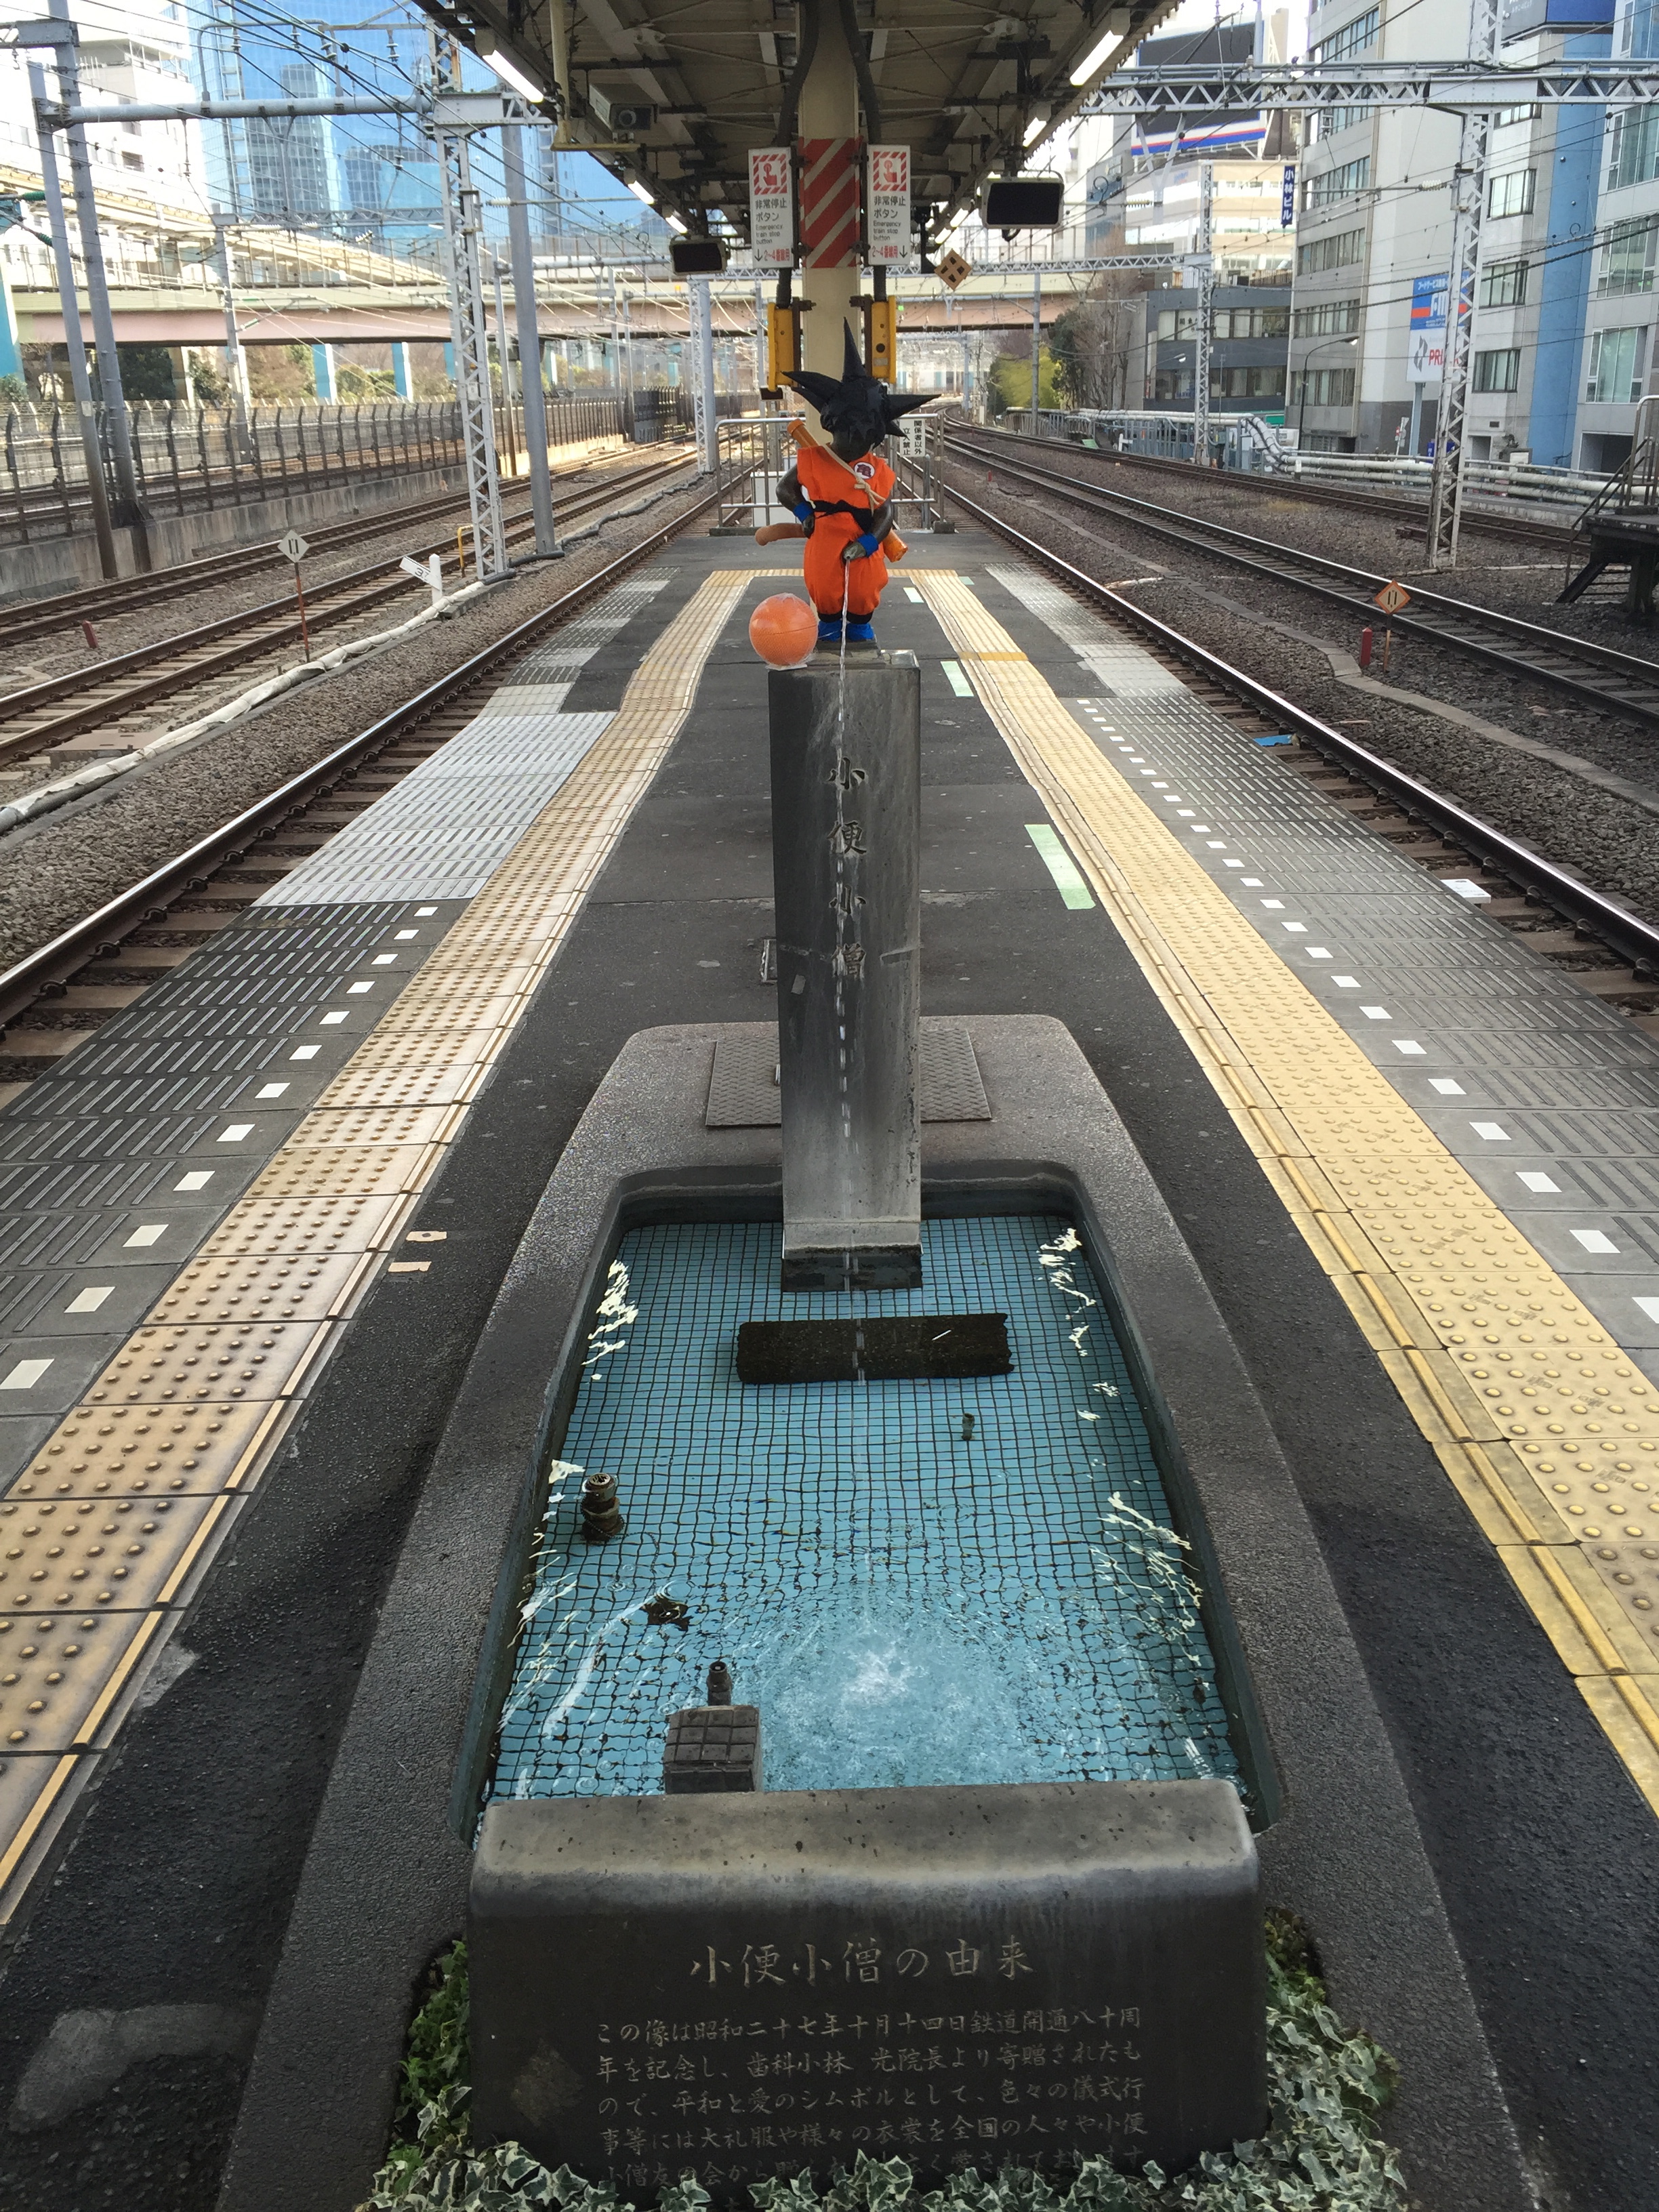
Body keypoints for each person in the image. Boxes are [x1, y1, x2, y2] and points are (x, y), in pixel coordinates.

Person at [766, 323, 928, 644]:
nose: (854, 443)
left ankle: (859, 627)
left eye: (864, 438)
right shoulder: (814, 459)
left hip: (862, 539)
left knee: (863, 589)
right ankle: (828, 627)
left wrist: (869, 542)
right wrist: (804, 512)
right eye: (848, 434)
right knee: (824, 585)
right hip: (825, 536)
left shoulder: (876, 469)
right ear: (831, 424)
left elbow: (884, 511)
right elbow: (786, 488)